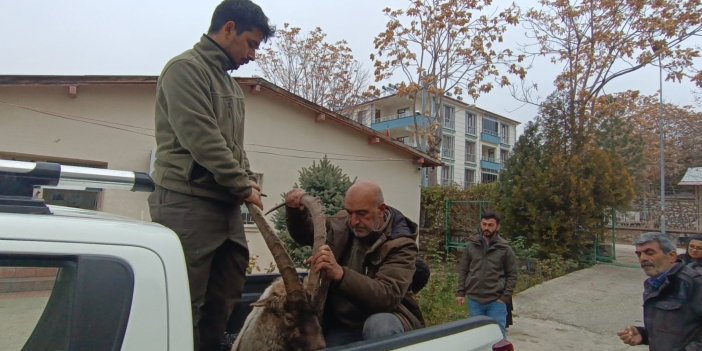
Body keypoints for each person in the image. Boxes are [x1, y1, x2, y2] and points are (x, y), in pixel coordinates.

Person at [147, 1, 273, 349]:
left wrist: (247, 178)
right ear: (228, 28)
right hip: (187, 204)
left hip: (224, 209)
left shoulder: (231, 88)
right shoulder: (184, 70)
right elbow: (202, 140)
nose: (252, 54)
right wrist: (242, 185)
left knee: (224, 300)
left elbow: (233, 147)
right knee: (184, 304)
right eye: (250, 43)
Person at [284, 182, 424, 346]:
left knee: (379, 326)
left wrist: (340, 274)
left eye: (362, 213)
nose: (354, 221)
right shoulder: (344, 223)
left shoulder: (401, 244)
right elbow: (307, 234)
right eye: (350, 213)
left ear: (381, 210)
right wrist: (295, 212)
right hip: (348, 323)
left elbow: (388, 295)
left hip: (391, 315)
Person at [617, 232, 702, 350]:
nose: (642, 258)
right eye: (639, 254)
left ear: (671, 256)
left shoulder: (694, 283)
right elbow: (672, 329)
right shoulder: (652, 284)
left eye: (649, 253)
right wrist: (643, 335)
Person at [455, 212, 517, 338]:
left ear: (497, 227)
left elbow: (512, 275)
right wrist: (461, 292)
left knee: (498, 336)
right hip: (475, 300)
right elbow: (463, 270)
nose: (486, 228)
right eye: (484, 224)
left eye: (490, 225)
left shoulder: (504, 248)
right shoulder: (471, 246)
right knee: (478, 336)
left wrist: (504, 297)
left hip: (496, 301)